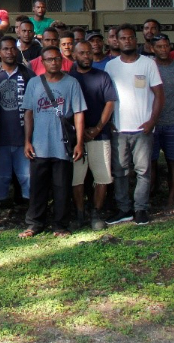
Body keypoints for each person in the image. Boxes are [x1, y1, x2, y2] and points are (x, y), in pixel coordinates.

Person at [19, 47, 86, 238]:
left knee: (62, 188)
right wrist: (27, 141)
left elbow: (79, 114)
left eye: (57, 59)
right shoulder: (34, 83)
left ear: (62, 60)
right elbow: (29, 112)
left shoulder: (71, 83)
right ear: (42, 62)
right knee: (37, 188)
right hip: (39, 145)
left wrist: (79, 143)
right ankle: (34, 224)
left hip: (62, 144)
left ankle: (60, 225)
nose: (54, 63)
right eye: (49, 60)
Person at [104, 25, 164, 227]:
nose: (127, 41)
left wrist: (152, 121)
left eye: (130, 38)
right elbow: (107, 97)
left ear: (136, 40)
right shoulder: (111, 66)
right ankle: (123, 209)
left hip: (142, 129)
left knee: (143, 171)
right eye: (123, 38)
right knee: (119, 171)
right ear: (116, 41)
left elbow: (159, 95)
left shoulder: (148, 64)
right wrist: (109, 120)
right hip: (119, 129)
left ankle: (141, 209)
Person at [0, 35, 33, 223]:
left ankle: (33, 220)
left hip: (23, 139)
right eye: (5, 49)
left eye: (13, 48)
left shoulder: (27, 74)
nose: (10, 52)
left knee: (28, 179)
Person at [67, 41, 116, 231]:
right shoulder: (68, 78)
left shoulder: (102, 76)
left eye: (89, 53)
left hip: (99, 134)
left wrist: (97, 128)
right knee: (76, 178)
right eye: (82, 53)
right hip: (75, 138)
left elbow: (110, 103)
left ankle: (96, 212)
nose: (86, 56)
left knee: (102, 176)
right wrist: (79, 132)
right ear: (74, 55)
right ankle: (80, 214)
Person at [150, 34, 174, 209]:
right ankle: (151, 196)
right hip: (152, 123)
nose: (164, 50)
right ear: (152, 49)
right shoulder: (148, 67)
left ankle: (172, 198)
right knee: (151, 162)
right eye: (159, 47)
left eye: (166, 46)